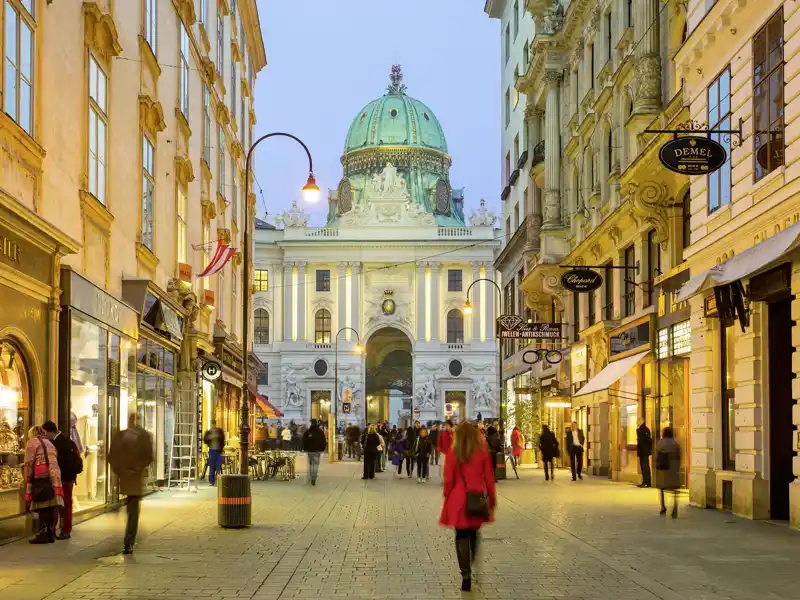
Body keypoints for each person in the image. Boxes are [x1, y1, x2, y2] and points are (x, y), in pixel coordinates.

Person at [440, 422, 496, 592]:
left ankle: (465, 573)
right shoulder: (482, 451)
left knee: (460, 535)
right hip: (475, 497)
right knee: (474, 532)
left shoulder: (453, 451)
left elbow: (448, 478)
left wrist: (447, 494)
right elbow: (489, 477)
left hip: (458, 499)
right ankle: (471, 560)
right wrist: (492, 499)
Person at [108, 413, 154, 554]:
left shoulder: (120, 436)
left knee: (131, 509)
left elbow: (112, 457)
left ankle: (129, 540)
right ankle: (129, 542)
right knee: (133, 510)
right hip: (134, 477)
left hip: (124, 477)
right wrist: (137, 468)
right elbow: (148, 457)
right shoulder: (143, 437)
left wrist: (120, 471)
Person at [41, 420, 82, 540]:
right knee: (62, 505)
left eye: (44, 432)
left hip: (63, 479)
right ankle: (62, 529)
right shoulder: (66, 442)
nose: (44, 435)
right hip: (66, 478)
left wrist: (66, 475)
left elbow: (70, 462)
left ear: (50, 432)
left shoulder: (59, 443)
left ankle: (64, 530)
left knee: (64, 505)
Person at [24, 426, 64, 544]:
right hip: (55, 478)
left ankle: (42, 534)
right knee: (52, 506)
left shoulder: (32, 443)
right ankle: (50, 533)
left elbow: (28, 463)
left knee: (42, 506)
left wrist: (27, 480)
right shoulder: (50, 443)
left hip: (42, 477)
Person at [655, 426, 681, 517]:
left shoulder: (660, 443)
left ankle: (663, 506)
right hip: (673, 470)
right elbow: (679, 456)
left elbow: (657, 457)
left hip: (663, 469)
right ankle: (675, 508)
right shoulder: (676, 443)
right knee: (674, 490)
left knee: (661, 488)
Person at [302, 419, 327, 485]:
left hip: (310, 451)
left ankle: (312, 477)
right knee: (315, 465)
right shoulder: (320, 432)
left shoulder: (308, 431)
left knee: (311, 465)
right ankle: (314, 479)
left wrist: (305, 448)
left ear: (311, 423)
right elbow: (324, 441)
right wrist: (322, 448)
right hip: (317, 451)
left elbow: (304, 441)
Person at [637, 419, 653, 488]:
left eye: (638, 421)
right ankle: (645, 482)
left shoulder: (645, 430)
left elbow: (649, 440)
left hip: (644, 452)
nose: (637, 422)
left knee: (645, 467)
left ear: (642, 421)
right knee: (643, 467)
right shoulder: (640, 430)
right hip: (642, 451)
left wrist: (648, 449)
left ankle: (646, 482)